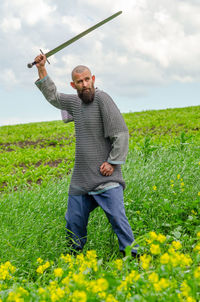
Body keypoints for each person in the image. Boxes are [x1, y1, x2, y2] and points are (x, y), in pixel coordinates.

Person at [34, 54, 138, 257]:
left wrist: (112, 162)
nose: (85, 84)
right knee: (73, 221)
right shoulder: (74, 103)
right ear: (74, 85)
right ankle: (74, 258)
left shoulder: (102, 98)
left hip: (106, 177)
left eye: (87, 79)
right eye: (80, 81)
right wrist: (41, 68)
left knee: (118, 218)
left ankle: (132, 256)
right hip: (82, 179)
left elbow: (120, 132)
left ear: (93, 79)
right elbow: (53, 96)